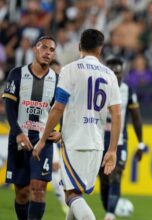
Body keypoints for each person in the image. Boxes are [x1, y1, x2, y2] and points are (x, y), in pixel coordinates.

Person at [32, 29, 122, 220]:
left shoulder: (69, 70)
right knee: (76, 193)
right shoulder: (110, 75)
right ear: (101, 49)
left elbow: (58, 108)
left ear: (79, 46)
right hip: (97, 145)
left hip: (74, 144)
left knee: (71, 195)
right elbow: (116, 115)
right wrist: (112, 150)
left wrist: (42, 139)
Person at [2, 36, 60, 220]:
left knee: (38, 189)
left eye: (51, 50)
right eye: (44, 48)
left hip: (43, 142)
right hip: (19, 140)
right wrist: (18, 133)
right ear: (35, 49)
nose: (47, 52)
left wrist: (61, 132)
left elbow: (64, 110)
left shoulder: (58, 80)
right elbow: (9, 108)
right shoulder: (17, 74)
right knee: (22, 193)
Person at [99, 57, 144, 220]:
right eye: (112, 72)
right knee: (103, 179)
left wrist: (141, 144)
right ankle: (109, 209)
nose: (115, 76)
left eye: (118, 73)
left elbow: (136, 118)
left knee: (116, 173)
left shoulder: (128, 91)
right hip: (99, 140)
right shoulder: (98, 88)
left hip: (119, 142)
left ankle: (110, 214)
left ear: (122, 73)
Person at [49, 59, 68, 214]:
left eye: (58, 71)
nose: (57, 74)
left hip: (60, 135)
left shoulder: (64, 90)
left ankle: (65, 203)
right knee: (55, 169)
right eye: (54, 71)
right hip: (44, 133)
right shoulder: (44, 89)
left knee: (58, 171)